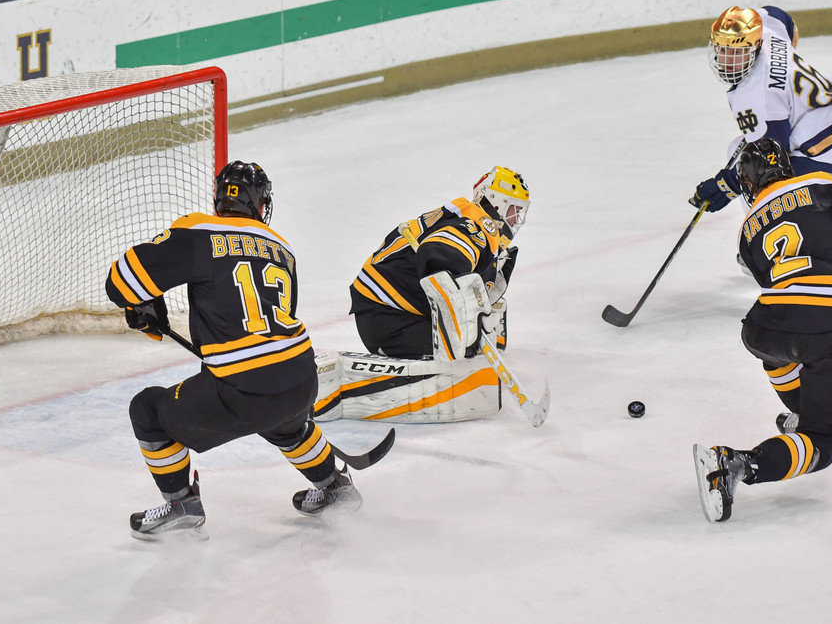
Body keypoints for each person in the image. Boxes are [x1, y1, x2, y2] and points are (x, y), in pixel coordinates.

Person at [106, 160, 362, 540]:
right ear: (261, 205)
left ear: (219, 200)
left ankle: (181, 505)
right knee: (283, 419)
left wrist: (144, 305)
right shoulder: (282, 249)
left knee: (147, 409)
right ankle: (334, 486)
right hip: (301, 379)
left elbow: (121, 281)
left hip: (242, 390)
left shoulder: (198, 231)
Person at [693, 139, 832, 523]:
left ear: (749, 183)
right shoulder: (821, 183)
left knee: (781, 349)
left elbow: (784, 283)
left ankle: (802, 413)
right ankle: (737, 463)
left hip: (764, 325)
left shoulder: (748, 229)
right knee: (823, 443)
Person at [313, 166, 531, 423]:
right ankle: (339, 387)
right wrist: (461, 325)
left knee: (479, 327)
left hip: (387, 308)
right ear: (494, 202)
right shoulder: (475, 228)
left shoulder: (468, 222)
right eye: (513, 211)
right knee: (464, 355)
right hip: (387, 317)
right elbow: (436, 255)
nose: (515, 220)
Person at [688, 5, 832, 213]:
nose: (726, 60)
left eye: (736, 52)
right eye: (721, 49)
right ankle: (757, 228)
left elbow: (770, 159)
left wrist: (727, 185)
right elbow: (780, 17)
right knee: (736, 150)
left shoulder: (756, 96)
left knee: (777, 191)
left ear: (755, 46)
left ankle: (772, 228)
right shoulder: (766, 27)